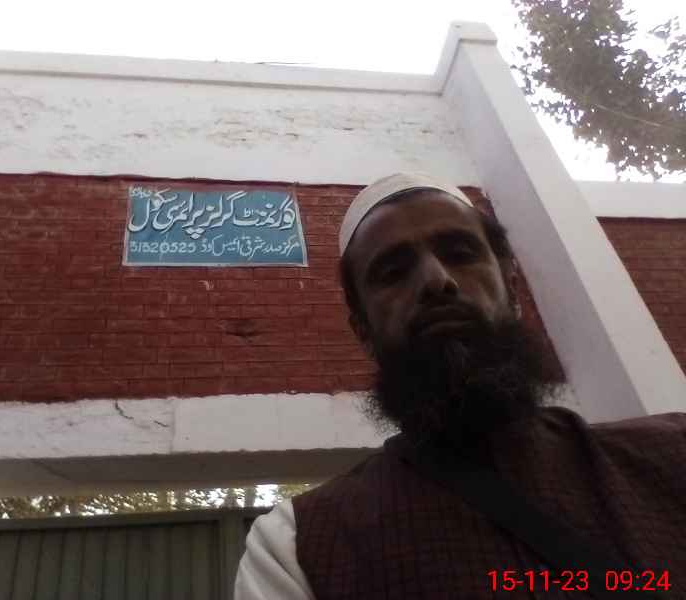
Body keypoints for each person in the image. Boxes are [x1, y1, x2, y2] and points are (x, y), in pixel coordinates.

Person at [234, 173, 686, 599]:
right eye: (392, 272)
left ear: (512, 289)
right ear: (364, 331)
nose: (436, 281)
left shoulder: (672, 454)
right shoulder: (295, 548)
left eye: (460, 253)